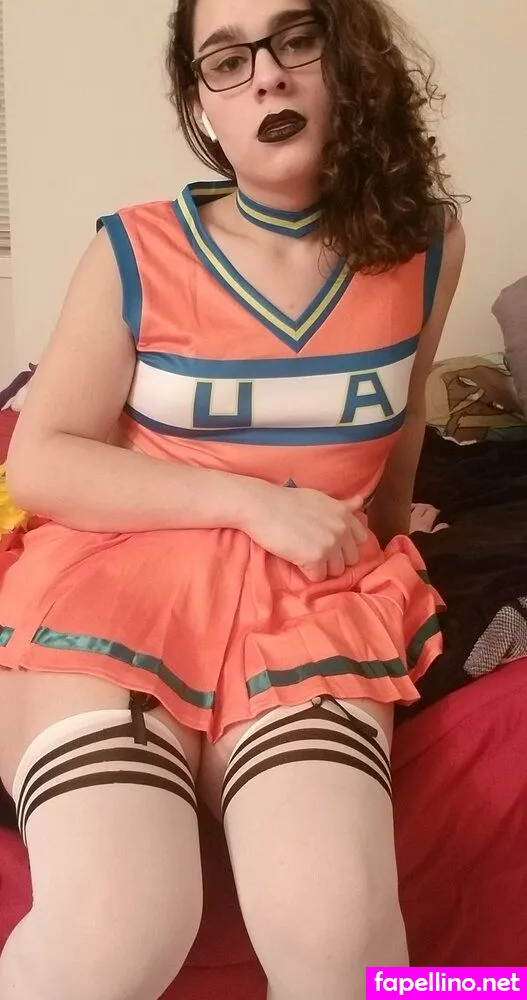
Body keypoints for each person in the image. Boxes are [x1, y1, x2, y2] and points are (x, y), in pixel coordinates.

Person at [0, 0, 465, 996]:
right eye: (225, 60)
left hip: (310, 606)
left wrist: (386, 534)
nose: (265, 75)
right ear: (201, 104)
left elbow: (402, 425)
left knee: (340, 943)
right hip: (119, 584)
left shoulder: (428, 242)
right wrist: (252, 504)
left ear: (350, 58)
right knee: (115, 930)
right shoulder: (134, 249)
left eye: (296, 40)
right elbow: (40, 461)